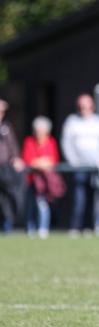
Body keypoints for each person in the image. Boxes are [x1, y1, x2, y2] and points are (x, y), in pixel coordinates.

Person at [61, 94, 99, 236]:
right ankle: (76, 227)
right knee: (79, 198)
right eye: (81, 107)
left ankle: (92, 226)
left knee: (95, 198)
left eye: (86, 106)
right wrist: (73, 161)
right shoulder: (72, 121)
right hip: (79, 167)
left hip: (95, 167)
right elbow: (66, 143)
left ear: (92, 107)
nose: (84, 109)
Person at [22, 117, 61, 238]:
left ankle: (43, 228)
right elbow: (28, 160)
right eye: (37, 131)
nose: (39, 133)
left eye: (42, 131)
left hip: (45, 182)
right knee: (30, 205)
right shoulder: (29, 141)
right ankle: (30, 228)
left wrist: (40, 162)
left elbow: (53, 160)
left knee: (42, 205)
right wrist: (41, 162)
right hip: (31, 180)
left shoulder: (51, 142)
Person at [0, 99, 26, 233]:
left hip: (4, 168)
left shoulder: (6, 127)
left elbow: (13, 146)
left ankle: (7, 224)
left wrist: (16, 159)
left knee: (8, 196)